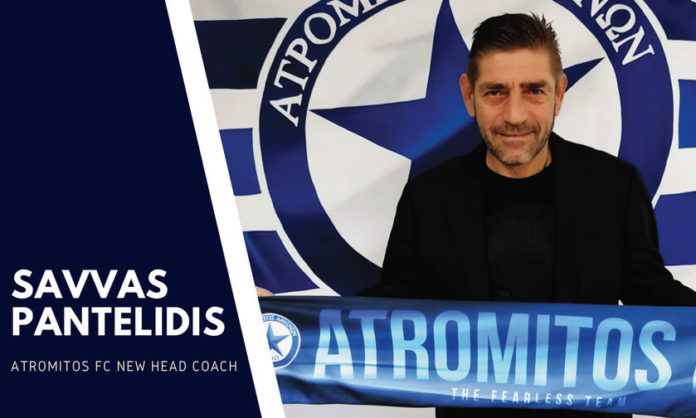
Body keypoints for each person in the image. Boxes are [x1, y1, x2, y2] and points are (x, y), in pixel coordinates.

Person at [363, 13, 696, 418]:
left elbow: (652, 294)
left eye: (534, 91)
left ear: (559, 93)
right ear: (469, 95)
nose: (515, 115)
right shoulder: (428, 198)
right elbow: (388, 313)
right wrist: (292, 322)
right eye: (495, 92)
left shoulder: (613, 186)